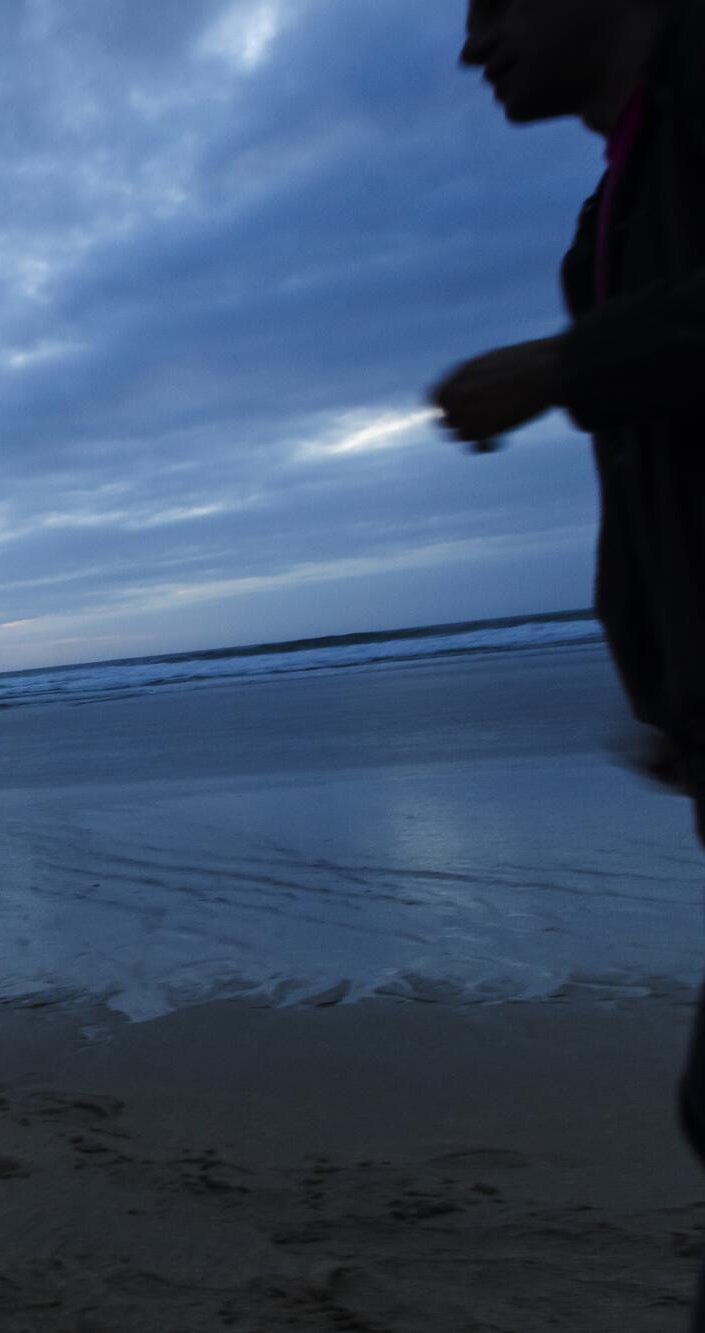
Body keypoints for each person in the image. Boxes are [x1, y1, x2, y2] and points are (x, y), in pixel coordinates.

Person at [434, 0, 705, 1318]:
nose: (472, 48)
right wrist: (675, 690)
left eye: (490, 9)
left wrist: (565, 363)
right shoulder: (610, 213)